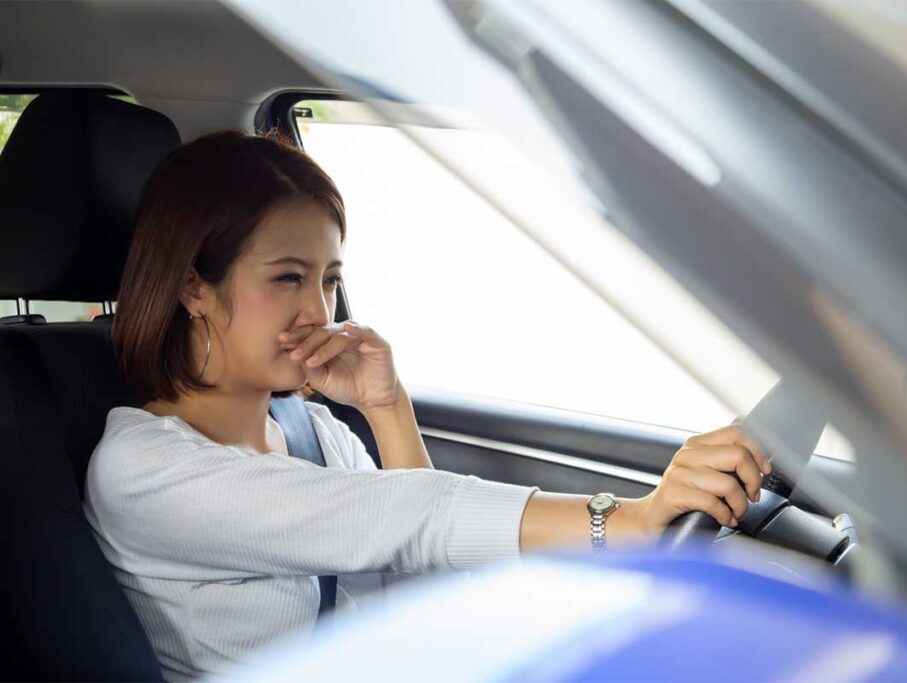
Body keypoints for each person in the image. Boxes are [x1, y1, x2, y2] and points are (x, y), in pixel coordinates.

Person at [83, 129, 771, 681]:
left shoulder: (315, 429)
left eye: (328, 280)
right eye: (287, 278)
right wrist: (625, 521)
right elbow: (414, 516)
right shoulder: (143, 468)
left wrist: (386, 405)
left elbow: (413, 585)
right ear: (193, 288)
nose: (316, 310)